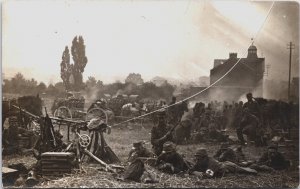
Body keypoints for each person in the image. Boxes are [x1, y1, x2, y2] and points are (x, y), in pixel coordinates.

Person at [188, 148, 257, 178]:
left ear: (205, 157)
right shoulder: (199, 161)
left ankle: (254, 165)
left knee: (250, 171)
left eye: (199, 157)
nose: (197, 160)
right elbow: (190, 170)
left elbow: (208, 176)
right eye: (196, 157)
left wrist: (196, 172)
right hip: (224, 165)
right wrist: (194, 172)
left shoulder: (212, 163)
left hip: (229, 166)